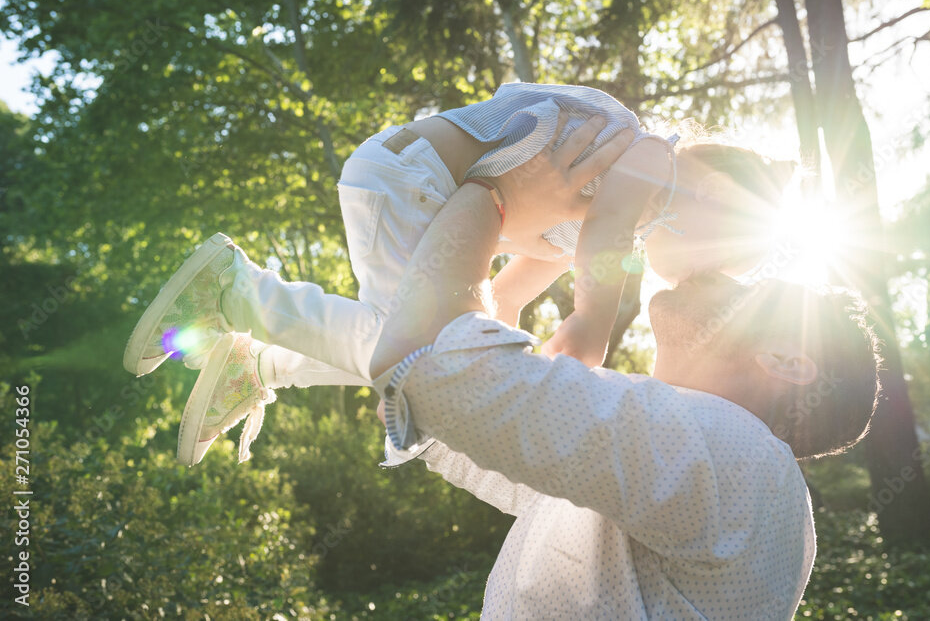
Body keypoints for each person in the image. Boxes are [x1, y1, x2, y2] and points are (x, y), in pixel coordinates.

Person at [123, 84, 790, 464]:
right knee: (418, 354)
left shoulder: (601, 206)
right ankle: (237, 291)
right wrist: (591, 322)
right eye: (716, 256)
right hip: (413, 181)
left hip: (411, 189)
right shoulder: (644, 156)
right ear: (716, 194)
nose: (694, 275)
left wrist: (504, 328)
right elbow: (607, 236)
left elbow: (522, 278)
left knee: (415, 349)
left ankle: (263, 363)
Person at [361, 132, 883, 618]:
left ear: (787, 360)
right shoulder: (691, 472)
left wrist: (498, 193)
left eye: (748, 293)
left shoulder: (742, 454)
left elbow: (440, 379)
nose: (717, 275)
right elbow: (455, 421)